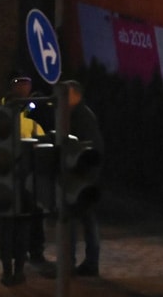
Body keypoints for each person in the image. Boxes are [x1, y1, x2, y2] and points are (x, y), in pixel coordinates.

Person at [0, 72, 47, 285]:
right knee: (22, 227)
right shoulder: (30, 124)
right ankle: (19, 271)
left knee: (6, 228)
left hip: (3, 181)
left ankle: (7, 271)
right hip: (25, 184)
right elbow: (42, 148)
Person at [65, 80, 103, 277]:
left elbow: (85, 147)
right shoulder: (82, 114)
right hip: (87, 176)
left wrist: (79, 172)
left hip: (82, 177)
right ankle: (90, 261)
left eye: (67, 94)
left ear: (76, 95)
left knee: (74, 219)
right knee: (88, 220)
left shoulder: (80, 116)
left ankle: (72, 262)